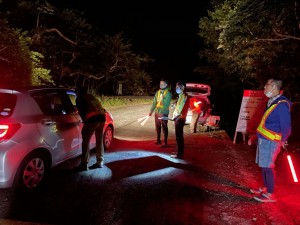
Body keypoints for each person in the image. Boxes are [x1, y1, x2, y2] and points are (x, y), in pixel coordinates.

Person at [250, 78, 292, 203]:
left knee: (268, 167)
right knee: (263, 165)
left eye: (267, 84)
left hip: (271, 142)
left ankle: (270, 194)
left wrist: (284, 140)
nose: (264, 87)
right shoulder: (272, 102)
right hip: (264, 139)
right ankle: (265, 187)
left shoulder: (281, 105)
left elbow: (286, 126)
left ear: (274, 87)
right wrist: (256, 136)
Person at [75, 86, 107, 171]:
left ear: (79, 92)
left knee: (85, 141)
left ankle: (84, 164)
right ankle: (100, 162)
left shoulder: (79, 98)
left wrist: (84, 121)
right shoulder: (91, 97)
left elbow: (82, 112)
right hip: (102, 118)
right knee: (99, 141)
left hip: (92, 120)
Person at [149, 79, 172, 147]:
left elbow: (166, 104)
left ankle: (165, 142)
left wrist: (160, 105)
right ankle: (158, 140)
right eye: (160, 83)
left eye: (162, 84)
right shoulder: (158, 92)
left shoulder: (168, 93)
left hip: (164, 112)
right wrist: (151, 111)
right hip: (157, 112)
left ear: (166, 85)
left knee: (164, 127)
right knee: (157, 127)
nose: (161, 85)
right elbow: (154, 102)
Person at [170, 82, 190, 159]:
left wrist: (176, 117)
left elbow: (182, 109)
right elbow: (179, 107)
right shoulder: (181, 96)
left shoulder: (183, 96)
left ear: (182, 88)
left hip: (180, 118)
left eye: (178, 87)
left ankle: (179, 154)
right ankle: (179, 152)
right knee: (179, 137)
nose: (176, 88)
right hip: (179, 118)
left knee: (179, 137)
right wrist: (174, 106)